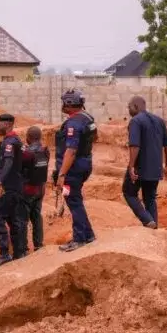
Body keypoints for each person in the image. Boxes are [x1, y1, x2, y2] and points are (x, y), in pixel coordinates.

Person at [54, 88, 98, 252]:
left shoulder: (73, 123)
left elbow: (70, 151)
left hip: (73, 169)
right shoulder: (88, 118)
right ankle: (88, 234)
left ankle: (79, 238)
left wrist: (62, 175)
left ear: (70, 103)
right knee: (75, 199)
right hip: (85, 163)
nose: (63, 105)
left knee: (73, 201)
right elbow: (95, 137)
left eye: (65, 102)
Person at [123, 95, 167, 228]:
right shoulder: (159, 121)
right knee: (150, 198)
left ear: (136, 106)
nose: (128, 109)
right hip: (156, 168)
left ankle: (147, 220)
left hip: (140, 167)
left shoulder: (136, 121)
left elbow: (134, 145)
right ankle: (153, 226)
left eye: (129, 107)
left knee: (129, 192)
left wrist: (131, 166)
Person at [0, 114, 26, 268]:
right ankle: (19, 253)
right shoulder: (15, 140)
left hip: (7, 188)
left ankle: (4, 254)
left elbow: (9, 163)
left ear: (8, 124)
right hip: (16, 187)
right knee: (13, 221)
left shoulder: (10, 142)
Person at [20, 126, 49, 252]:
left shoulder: (27, 153)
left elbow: (20, 166)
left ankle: (23, 248)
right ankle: (38, 244)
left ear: (28, 138)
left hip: (27, 189)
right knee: (37, 216)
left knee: (23, 219)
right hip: (40, 189)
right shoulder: (46, 151)